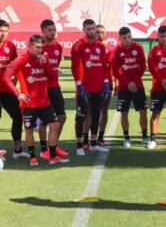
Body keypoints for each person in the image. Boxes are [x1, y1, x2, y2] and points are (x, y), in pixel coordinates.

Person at [3, 35, 69, 166]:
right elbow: (6, 76)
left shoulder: (44, 59)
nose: (40, 50)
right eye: (37, 47)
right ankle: (32, 157)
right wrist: (18, 94)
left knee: (55, 126)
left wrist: (47, 64)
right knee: (29, 130)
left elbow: (52, 76)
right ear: (30, 46)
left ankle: (51, 156)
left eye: (42, 47)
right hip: (29, 103)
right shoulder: (21, 60)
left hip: (45, 101)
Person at [71, 19, 110, 155]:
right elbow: (75, 67)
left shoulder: (100, 46)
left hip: (98, 87)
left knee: (96, 114)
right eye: (88, 29)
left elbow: (104, 66)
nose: (92, 31)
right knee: (81, 116)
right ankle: (79, 145)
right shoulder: (78, 45)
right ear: (84, 30)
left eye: (93, 28)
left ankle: (94, 143)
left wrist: (105, 82)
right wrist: (79, 85)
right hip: (84, 87)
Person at [112, 27, 148, 148]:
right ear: (120, 38)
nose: (127, 40)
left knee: (143, 111)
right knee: (124, 112)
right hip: (124, 87)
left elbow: (142, 66)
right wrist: (127, 83)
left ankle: (144, 136)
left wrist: (135, 81)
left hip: (138, 86)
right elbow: (116, 71)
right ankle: (126, 138)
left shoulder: (138, 47)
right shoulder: (117, 51)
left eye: (129, 37)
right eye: (124, 38)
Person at [38, 19, 68, 160]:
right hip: (42, 88)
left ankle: (54, 145)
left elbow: (54, 66)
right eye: (49, 30)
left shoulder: (58, 47)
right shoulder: (38, 47)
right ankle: (44, 149)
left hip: (55, 87)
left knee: (62, 117)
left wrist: (55, 70)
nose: (52, 32)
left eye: (54, 29)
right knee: (45, 121)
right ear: (43, 31)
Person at [0, 20, 29, 159]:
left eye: (5, 31)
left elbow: (17, 67)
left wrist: (15, 84)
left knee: (17, 116)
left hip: (7, 90)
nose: (3, 34)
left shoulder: (11, 46)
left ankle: (17, 150)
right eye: (1, 30)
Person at [81, 25, 114, 147]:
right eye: (98, 31)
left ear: (106, 34)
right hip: (90, 84)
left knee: (103, 110)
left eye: (102, 32)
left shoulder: (110, 48)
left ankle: (100, 137)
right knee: (88, 111)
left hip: (106, 84)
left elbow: (111, 66)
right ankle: (85, 138)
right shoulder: (87, 46)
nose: (99, 34)